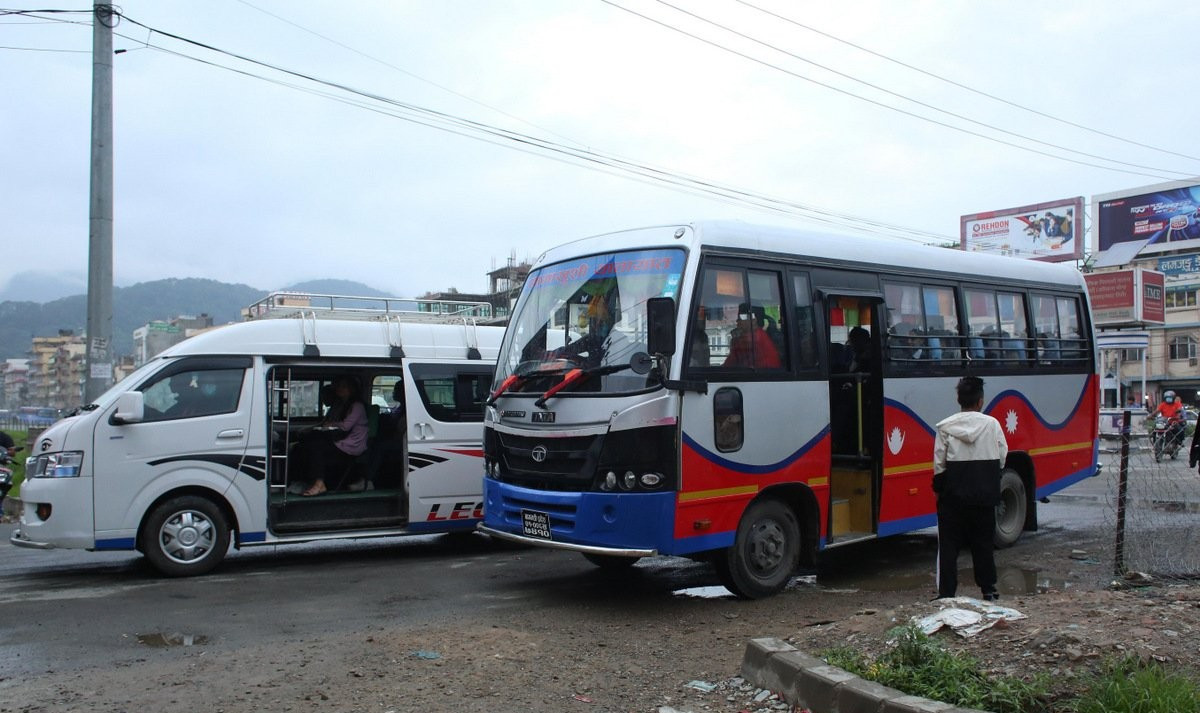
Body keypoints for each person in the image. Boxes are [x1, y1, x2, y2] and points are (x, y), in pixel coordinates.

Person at [932, 376, 1008, 601]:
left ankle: (947, 593)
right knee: (983, 544)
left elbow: (939, 464)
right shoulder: (992, 424)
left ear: (959, 400)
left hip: (953, 496)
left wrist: (940, 491)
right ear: (980, 401)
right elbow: (1002, 455)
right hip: (984, 495)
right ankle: (988, 589)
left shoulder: (945, 427)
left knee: (949, 547)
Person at [293, 376, 368, 496]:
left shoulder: (357, 406)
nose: (339, 388)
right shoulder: (339, 404)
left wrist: (331, 424)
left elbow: (345, 426)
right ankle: (302, 481)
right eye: (339, 386)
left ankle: (319, 483)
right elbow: (326, 422)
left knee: (317, 447)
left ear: (351, 389)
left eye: (343, 386)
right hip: (340, 441)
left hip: (351, 446)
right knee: (303, 447)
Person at [723, 304, 781, 369]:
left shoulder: (752, 339)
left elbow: (730, 365)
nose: (737, 320)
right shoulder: (759, 335)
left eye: (742, 317)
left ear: (754, 320)